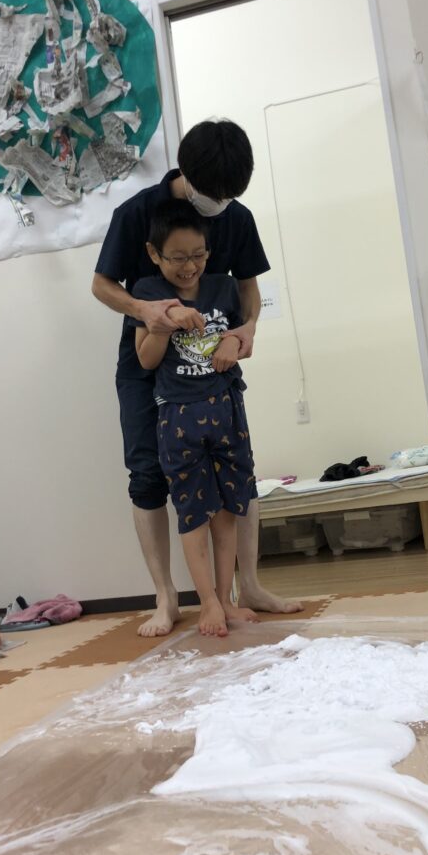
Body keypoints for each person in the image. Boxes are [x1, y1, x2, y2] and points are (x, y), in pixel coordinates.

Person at [92, 119, 301, 637]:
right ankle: (166, 596)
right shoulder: (137, 213)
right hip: (148, 366)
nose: (219, 205)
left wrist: (247, 329)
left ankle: (249, 586)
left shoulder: (236, 216)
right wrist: (146, 310)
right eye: (212, 195)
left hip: (215, 368)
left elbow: (248, 288)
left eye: (229, 197)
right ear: (185, 172)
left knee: (238, 471)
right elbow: (101, 285)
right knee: (147, 473)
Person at [132, 199, 259, 636]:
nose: (190, 267)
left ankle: (226, 599)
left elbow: (240, 337)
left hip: (226, 410)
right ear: (155, 254)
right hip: (179, 419)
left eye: (198, 255)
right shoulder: (148, 292)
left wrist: (234, 343)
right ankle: (207, 602)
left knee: (227, 510)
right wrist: (165, 322)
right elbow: (146, 360)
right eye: (178, 258)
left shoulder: (224, 287)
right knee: (193, 512)